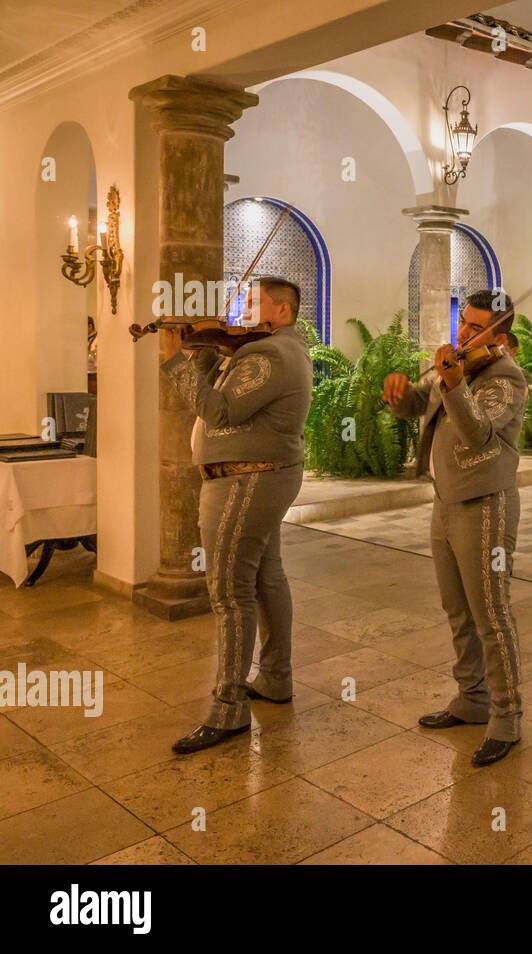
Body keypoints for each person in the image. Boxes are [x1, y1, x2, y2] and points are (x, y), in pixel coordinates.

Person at [161, 277, 312, 754]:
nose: (240, 309)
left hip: (247, 481)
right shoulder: (252, 350)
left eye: (252, 301)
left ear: (282, 312)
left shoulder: (272, 355)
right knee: (266, 578)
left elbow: (219, 410)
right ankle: (274, 677)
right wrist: (201, 345)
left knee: (228, 592)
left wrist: (173, 360)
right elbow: (219, 394)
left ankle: (228, 708)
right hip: (246, 478)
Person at [383, 290, 527, 767]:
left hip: (485, 504)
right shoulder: (456, 368)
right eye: (462, 322)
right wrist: (399, 394)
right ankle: (472, 697)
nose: (462, 333)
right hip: (445, 501)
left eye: (475, 328)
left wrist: (455, 384)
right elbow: (416, 409)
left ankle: (506, 717)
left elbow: (478, 433)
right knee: (457, 610)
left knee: (491, 613)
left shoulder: (507, 377)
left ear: (499, 338)